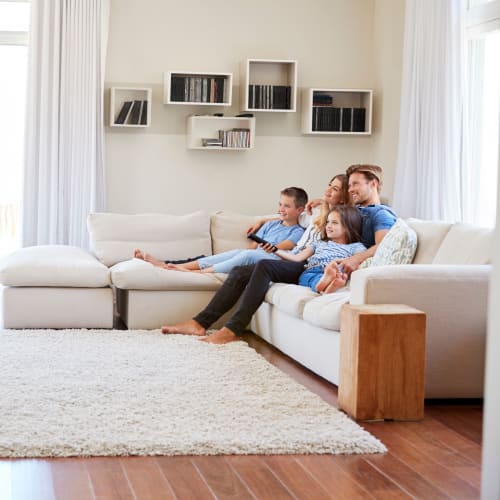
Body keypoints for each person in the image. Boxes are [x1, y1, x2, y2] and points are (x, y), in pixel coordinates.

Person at [162, 165, 395, 344]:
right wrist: (266, 218)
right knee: (243, 270)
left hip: (313, 264)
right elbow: (294, 216)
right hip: (305, 258)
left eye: (354, 185)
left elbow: (380, 245)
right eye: (349, 185)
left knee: (261, 264)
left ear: (372, 184)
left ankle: (232, 329)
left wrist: (354, 259)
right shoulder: (344, 211)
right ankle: (199, 323)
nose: (351, 189)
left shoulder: (375, 214)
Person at [134, 187, 307, 272]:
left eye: (287, 206)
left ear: (299, 210)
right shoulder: (270, 224)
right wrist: (262, 224)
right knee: (237, 253)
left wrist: (257, 248)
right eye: (280, 204)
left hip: (271, 260)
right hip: (256, 254)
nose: (281, 209)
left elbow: (280, 248)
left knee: (246, 255)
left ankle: (197, 273)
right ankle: (168, 265)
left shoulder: (298, 231)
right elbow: (253, 247)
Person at [276, 206, 365, 294]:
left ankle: (327, 283)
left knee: (335, 273)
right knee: (304, 278)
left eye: (334, 222)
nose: (328, 226)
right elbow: (297, 258)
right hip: (311, 270)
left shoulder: (355, 246)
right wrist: (275, 250)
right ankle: (327, 287)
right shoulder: (319, 243)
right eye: (327, 222)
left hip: (335, 270)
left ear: (348, 227)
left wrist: (338, 262)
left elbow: (359, 260)